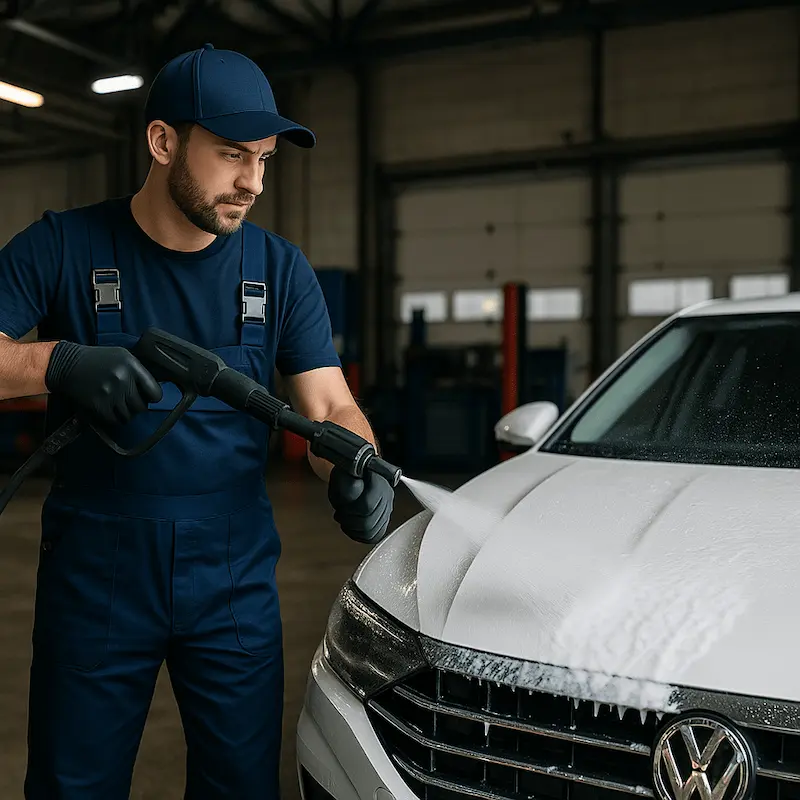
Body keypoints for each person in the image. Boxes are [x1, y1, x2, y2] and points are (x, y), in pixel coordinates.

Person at [0, 43, 395, 799]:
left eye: (265, 160)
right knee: (71, 783)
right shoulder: (62, 246)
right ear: (162, 142)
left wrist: (353, 461)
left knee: (242, 784)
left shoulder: (278, 270)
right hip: (96, 570)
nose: (252, 182)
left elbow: (329, 406)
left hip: (233, 571)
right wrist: (55, 363)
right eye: (232, 155)